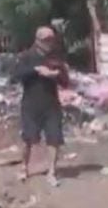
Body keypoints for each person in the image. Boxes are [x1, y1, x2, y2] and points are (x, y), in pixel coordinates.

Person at [13, 26, 69, 187]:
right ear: (38, 40)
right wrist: (36, 70)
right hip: (31, 103)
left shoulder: (56, 58)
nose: (50, 43)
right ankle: (24, 167)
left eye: (52, 39)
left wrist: (56, 75)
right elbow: (15, 76)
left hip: (51, 103)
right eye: (46, 40)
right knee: (28, 139)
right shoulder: (27, 56)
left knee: (54, 138)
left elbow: (65, 82)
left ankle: (51, 171)